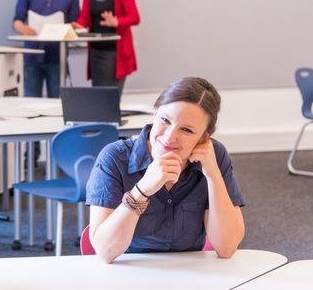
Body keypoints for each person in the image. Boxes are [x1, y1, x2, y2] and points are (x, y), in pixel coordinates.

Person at [85, 77, 245, 263]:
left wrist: (212, 174)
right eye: (165, 120)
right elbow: (105, 252)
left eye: (186, 130)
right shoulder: (115, 157)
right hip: (129, 270)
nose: (170, 138)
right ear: (154, 113)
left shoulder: (214, 155)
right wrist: (141, 190)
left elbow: (226, 248)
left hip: (191, 273)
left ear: (204, 137)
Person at [72, 0, 139, 97]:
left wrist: (117, 22)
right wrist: (76, 25)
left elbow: (135, 17)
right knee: (98, 99)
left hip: (115, 53)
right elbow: (85, 18)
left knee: (110, 100)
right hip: (96, 52)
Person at [13, 0, 80, 99]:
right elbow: (17, 21)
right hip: (31, 58)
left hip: (57, 58)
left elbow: (75, 24)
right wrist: (24, 28)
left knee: (58, 106)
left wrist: (72, 28)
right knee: (31, 104)